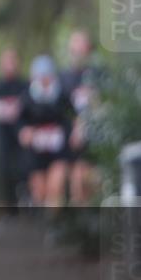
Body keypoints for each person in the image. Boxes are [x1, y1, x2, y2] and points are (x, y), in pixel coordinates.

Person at [18, 55, 75, 208]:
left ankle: (54, 226)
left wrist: (70, 133)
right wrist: (24, 131)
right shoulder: (27, 97)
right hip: (36, 151)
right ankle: (42, 222)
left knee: (55, 189)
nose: (44, 79)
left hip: (58, 149)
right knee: (40, 192)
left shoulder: (62, 94)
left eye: (46, 75)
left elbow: (70, 118)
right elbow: (20, 121)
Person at [0, 47, 30, 214]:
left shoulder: (25, 85)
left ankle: (27, 200)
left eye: (12, 61)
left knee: (25, 168)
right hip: (3, 134)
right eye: (6, 62)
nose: (9, 65)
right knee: (5, 169)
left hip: (21, 133)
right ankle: (10, 208)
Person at [60, 29, 98, 204]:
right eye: (75, 47)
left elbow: (103, 104)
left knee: (91, 181)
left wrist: (83, 125)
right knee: (73, 182)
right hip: (70, 140)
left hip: (94, 138)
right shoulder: (64, 78)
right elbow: (60, 109)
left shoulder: (98, 75)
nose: (78, 52)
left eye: (82, 47)